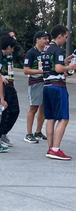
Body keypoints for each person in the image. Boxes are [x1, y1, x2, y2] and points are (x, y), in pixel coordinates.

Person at [41, 24, 75, 160]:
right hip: (57, 87)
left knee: (50, 118)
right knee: (63, 118)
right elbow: (59, 68)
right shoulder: (58, 50)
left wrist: (65, 62)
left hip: (46, 86)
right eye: (65, 37)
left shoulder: (46, 49)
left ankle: (50, 147)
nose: (66, 40)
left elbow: (53, 66)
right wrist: (70, 66)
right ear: (60, 35)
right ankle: (56, 149)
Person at [23, 30, 50, 143]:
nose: (47, 41)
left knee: (43, 107)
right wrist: (40, 71)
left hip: (46, 82)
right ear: (37, 39)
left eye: (47, 38)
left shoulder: (46, 52)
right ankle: (28, 133)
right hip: (35, 82)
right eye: (44, 38)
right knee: (33, 107)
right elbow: (26, 70)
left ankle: (38, 132)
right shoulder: (31, 53)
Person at [0, 30, 20, 146]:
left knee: (15, 111)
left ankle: (3, 133)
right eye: (11, 37)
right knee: (4, 113)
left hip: (11, 85)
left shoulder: (12, 52)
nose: (14, 38)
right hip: (4, 86)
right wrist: (0, 77)